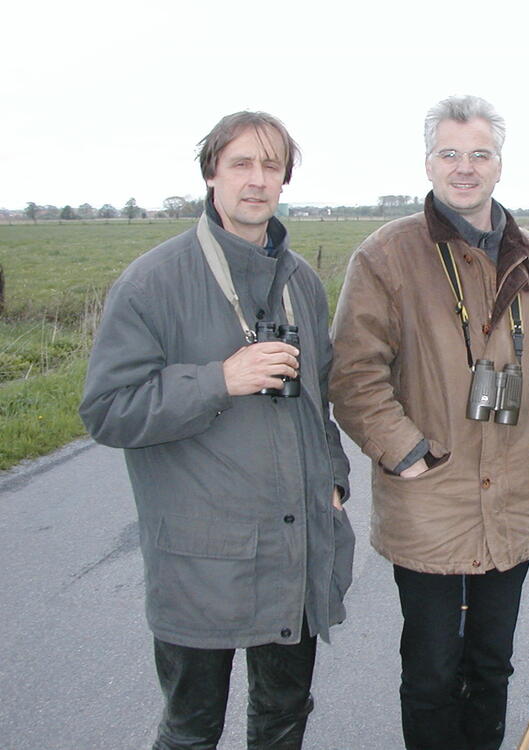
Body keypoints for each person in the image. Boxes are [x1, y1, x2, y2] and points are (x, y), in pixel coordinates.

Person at [328, 96, 529, 750]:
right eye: (450, 153)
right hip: (429, 494)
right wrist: (405, 451)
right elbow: (354, 370)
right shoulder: (386, 256)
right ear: (428, 161)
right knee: (430, 671)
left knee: (491, 665)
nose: (464, 167)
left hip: (513, 494)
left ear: (499, 164)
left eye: (479, 153)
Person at [79, 111, 354, 750]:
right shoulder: (154, 281)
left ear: (285, 179)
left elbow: (321, 404)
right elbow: (108, 410)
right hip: (201, 564)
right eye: (240, 164)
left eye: (271, 166)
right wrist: (218, 380)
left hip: (295, 553)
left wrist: (334, 484)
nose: (256, 180)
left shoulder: (302, 284)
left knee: (284, 720)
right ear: (211, 174)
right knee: (191, 731)